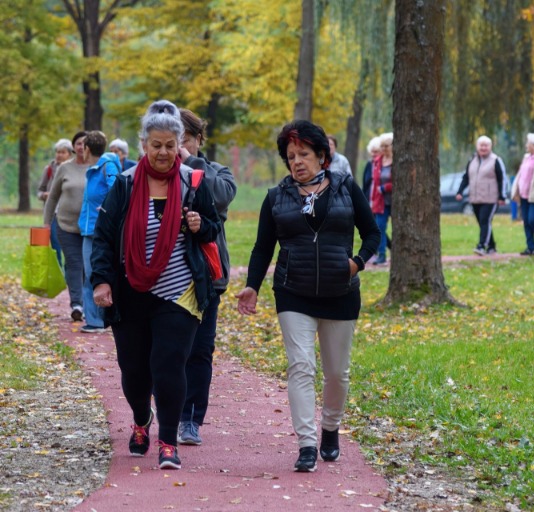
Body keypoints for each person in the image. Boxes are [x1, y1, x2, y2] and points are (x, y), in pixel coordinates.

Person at [235, 120, 380, 473]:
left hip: (340, 293)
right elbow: (262, 248)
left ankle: (330, 428)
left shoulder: (346, 188)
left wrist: (356, 263)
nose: (297, 161)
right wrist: (253, 285)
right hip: (293, 292)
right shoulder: (276, 197)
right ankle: (306, 444)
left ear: (321, 156)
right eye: (291, 156)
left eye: (303, 154)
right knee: (301, 366)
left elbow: (372, 233)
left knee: (337, 373)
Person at [90, 100, 221, 470]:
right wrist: (101, 281)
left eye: (169, 145)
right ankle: (140, 417)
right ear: (144, 145)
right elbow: (103, 237)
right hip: (130, 289)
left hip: (178, 291)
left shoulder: (193, 182)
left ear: (179, 145)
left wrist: (200, 225)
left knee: (169, 366)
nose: (163, 152)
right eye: (156, 145)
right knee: (133, 370)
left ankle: (167, 442)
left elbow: (213, 228)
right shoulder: (126, 184)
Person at [176, 108, 237, 446]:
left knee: (200, 350)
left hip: (207, 274)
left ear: (199, 139)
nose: (177, 147)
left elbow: (222, 196)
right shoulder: (155, 174)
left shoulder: (217, 172)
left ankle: (190, 420)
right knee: (166, 349)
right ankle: (165, 408)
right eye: (172, 140)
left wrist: (191, 164)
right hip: (165, 273)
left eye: (184, 139)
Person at [43, 131, 89, 321]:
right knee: (74, 262)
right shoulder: (64, 168)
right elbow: (53, 197)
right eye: (78, 143)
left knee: (88, 265)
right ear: (73, 147)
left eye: (85, 143)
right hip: (65, 225)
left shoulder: (97, 167)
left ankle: (88, 303)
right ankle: (77, 303)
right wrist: (46, 223)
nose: (81, 146)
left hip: (90, 227)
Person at [78, 131, 121, 333]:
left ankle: (98, 320)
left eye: (83, 147)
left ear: (87, 148)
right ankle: (93, 318)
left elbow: (117, 189)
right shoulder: (93, 169)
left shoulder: (107, 166)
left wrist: (106, 207)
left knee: (95, 274)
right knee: (88, 274)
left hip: (101, 230)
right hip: (88, 229)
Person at [456, 135, 506, 255]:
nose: (483, 148)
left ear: (490, 147)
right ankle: (492, 246)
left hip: (490, 198)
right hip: (475, 198)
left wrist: (502, 196)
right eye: (481, 145)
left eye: (486, 145)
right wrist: (460, 191)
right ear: (477, 146)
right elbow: (466, 177)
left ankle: (481, 246)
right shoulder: (472, 160)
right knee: (483, 223)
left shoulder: (495, 160)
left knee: (485, 220)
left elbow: (502, 179)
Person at [38, 138, 74, 266]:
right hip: (53, 214)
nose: (59, 155)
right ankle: (59, 272)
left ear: (69, 154)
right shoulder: (49, 169)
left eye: (63, 152)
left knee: (69, 247)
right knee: (55, 245)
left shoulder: (74, 169)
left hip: (69, 214)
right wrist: (44, 195)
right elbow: (40, 191)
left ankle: (70, 272)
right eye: (58, 152)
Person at [369, 132, 394, 264]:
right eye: (382, 146)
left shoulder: (397, 161)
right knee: (379, 227)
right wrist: (372, 200)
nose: (384, 149)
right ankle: (382, 255)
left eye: (386, 146)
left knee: (398, 228)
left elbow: (400, 181)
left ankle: (398, 253)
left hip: (395, 200)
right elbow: (375, 182)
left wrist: (386, 188)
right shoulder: (378, 161)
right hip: (381, 201)